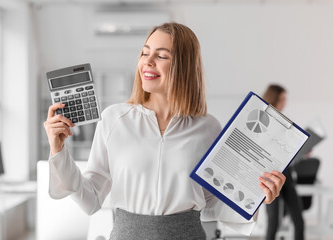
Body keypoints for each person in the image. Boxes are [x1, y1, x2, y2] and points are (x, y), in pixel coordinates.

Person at [44, 22, 286, 240]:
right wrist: (58, 151)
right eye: (144, 53)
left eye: (161, 56)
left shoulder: (207, 127)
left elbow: (212, 203)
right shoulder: (114, 119)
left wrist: (256, 198)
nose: (147, 62)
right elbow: (91, 198)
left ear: (184, 66)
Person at [263, 84, 305, 240]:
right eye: (281, 99)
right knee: (273, 221)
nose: (284, 103)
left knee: (298, 219)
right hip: (271, 177)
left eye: (285, 99)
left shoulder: (286, 122)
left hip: (287, 176)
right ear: (273, 99)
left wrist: (302, 152)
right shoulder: (263, 120)